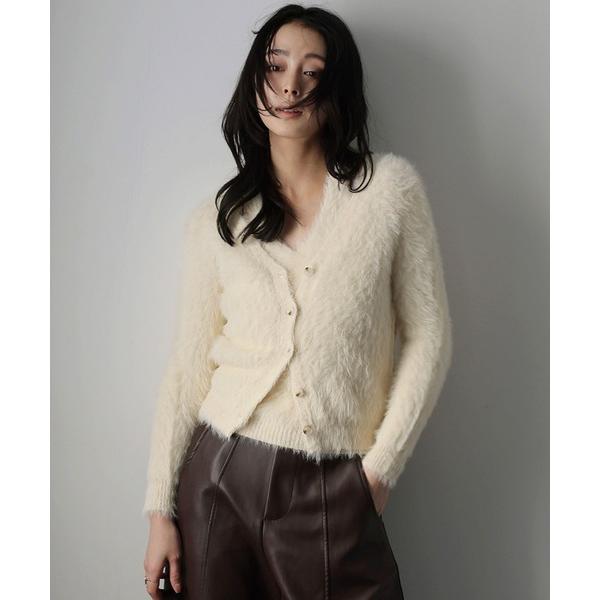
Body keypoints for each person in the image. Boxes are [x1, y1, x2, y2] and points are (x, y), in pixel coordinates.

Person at [142, 4, 453, 599]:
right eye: (275, 66)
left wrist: (378, 473)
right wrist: (160, 509)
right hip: (217, 477)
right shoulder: (218, 222)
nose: (290, 86)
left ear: (336, 91)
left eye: (312, 72)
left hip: (333, 484)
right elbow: (188, 368)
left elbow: (428, 336)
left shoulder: (388, 193)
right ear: (254, 80)